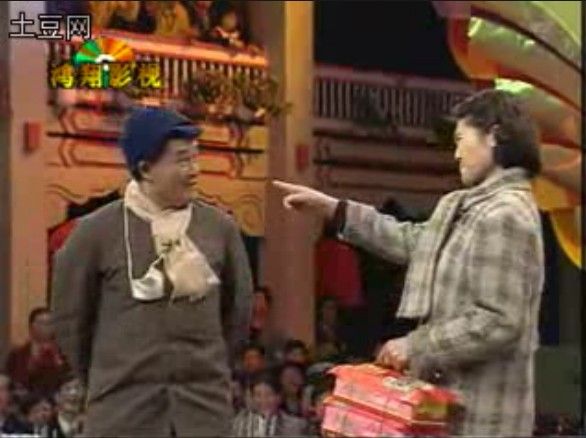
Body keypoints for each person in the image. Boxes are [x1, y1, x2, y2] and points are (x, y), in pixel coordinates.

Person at [273, 89, 544, 437]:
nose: (456, 153)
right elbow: (410, 240)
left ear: (493, 136)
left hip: (484, 420)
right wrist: (334, 210)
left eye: (461, 140)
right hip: (449, 413)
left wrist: (416, 346)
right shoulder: (467, 208)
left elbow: (498, 321)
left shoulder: (505, 215)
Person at [51, 106, 253, 437]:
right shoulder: (94, 233)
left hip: (203, 416)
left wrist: (207, 368)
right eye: (182, 161)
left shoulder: (219, 228)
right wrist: (110, 377)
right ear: (145, 168)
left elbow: (237, 315)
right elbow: (71, 323)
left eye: (195, 159)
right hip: (122, 416)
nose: (194, 171)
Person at [5, 307, 70, 396]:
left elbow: (67, 381)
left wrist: (57, 360)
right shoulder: (17, 355)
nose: (47, 327)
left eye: (50, 323)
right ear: (31, 326)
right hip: (24, 401)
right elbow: (10, 383)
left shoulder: (59, 355)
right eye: (43, 323)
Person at [232, 372, 308, 437]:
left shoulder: (296, 425)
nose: (263, 400)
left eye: (269, 394)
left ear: (279, 397)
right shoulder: (241, 424)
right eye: (258, 395)